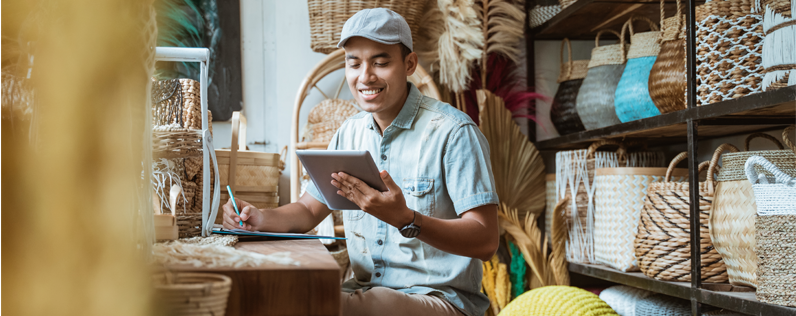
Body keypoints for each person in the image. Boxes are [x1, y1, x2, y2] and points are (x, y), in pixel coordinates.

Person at [222, 8, 499, 316]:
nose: (365, 76)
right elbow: (306, 210)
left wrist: (406, 219)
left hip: (441, 300)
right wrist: (258, 218)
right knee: (286, 293)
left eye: (380, 62)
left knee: (325, 305)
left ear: (409, 64)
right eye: (354, 63)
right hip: (365, 291)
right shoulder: (348, 133)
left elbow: (486, 239)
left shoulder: (454, 132)